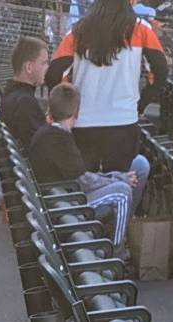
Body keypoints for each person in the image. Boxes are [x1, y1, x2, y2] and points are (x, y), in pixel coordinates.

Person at [30, 80, 150, 232]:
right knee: (123, 191)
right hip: (64, 203)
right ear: (76, 113)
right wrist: (118, 178)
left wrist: (114, 176)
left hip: (67, 192)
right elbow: (84, 182)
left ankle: (121, 225)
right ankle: (116, 249)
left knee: (138, 165)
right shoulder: (59, 138)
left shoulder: (49, 131)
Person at [69, 0, 167, 171]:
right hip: (123, 120)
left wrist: (67, 108)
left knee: (85, 189)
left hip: (82, 121)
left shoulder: (77, 30)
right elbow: (161, 71)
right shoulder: (141, 29)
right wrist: (140, 105)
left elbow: (55, 72)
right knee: (120, 187)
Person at [2, 36, 52, 147]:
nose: (48, 67)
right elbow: (45, 147)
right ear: (29, 67)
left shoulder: (11, 95)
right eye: (44, 63)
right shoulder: (25, 103)